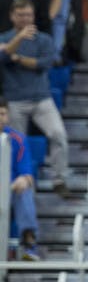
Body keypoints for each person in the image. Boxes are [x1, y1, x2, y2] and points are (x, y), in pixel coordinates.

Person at [0, 0, 69, 198]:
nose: (25, 19)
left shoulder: (44, 40)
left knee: (58, 134)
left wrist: (19, 59)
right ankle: (18, 185)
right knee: (14, 144)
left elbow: (44, 63)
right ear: (12, 16)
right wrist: (19, 38)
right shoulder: (5, 37)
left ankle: (59, 179)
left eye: (28, 15)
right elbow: (3, 58)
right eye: (21, 15)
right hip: (15, 100)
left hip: (41, 98)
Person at [0, 99, 40, 260]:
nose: (0, 118)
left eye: (2, 114)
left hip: (9, 191)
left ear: (8, 116)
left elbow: (28, 175)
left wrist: (23, 180)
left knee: (25, 188)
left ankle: (28, 241)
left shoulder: (18, 139)